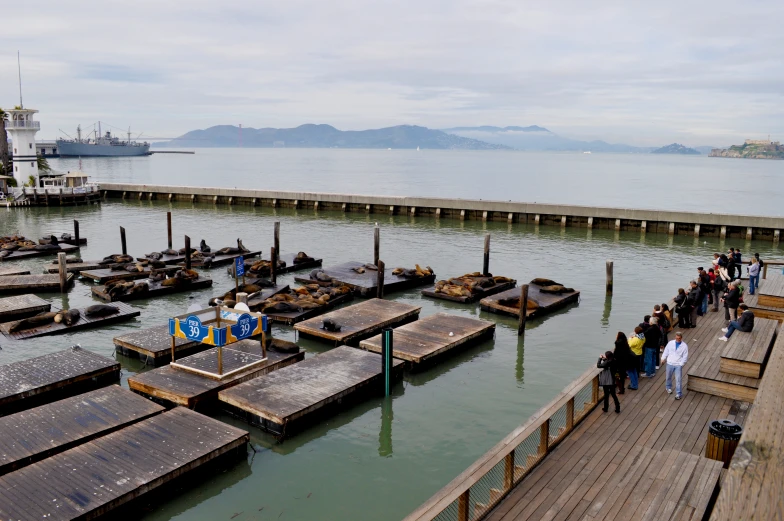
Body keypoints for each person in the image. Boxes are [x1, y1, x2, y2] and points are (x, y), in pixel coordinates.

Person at [662, 332, 688, 400]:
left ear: (681, 338)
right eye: (676, 338)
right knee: (668, 377)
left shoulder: (684, 346)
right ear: (675, 337)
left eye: (679, 338)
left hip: (678, 365)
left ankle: (678, 393)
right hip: (670, 363)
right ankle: (668, 387)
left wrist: (681, 364)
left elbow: (685, 356)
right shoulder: (670, 343)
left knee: (678, 379)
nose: (677, 339)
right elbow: (666, 351)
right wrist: (663, 358)